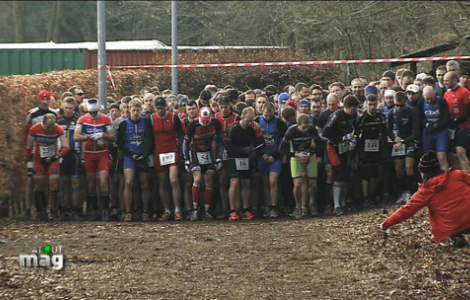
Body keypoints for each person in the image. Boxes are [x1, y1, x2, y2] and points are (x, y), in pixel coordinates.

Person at [381, 150, 470, 248]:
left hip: (453, 225)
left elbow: (406, 211)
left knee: (437, 215)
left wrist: (386, 224)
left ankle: (456, 236)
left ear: (424, 173)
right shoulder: (457, 174)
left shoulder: (425, 192)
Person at [74, 99, 115, 221]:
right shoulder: (82, 119)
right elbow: (76, 136)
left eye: (95, 112)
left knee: (103, 182)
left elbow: (112, 136)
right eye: (91, 113)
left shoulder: (106, 119)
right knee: (91, 184)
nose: (92, 115)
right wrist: (89, 137)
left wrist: (103, 135)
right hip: (88, 154)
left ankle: (105, 210)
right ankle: (94, 210)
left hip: (102, 153)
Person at [146, 97, 184, 221]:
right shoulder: (151, 119)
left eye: (162, 108)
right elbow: (150, 137)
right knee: (162, 182)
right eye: (158, 108)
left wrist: (181, 151)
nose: (160, 111)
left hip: (172, 151)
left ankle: (177, 209)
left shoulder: (173, 117)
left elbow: (180, 134)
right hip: (159, 153)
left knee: (173, 180)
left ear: (166, 107)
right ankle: (167, 209)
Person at [322, 94, 360, 216]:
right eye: (353, 109)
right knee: (338, 173)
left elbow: (357, 130)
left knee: (346, 175)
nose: (354, 112)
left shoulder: (354, 116)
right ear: (347, 107)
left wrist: (353, 141)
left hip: (345, 147)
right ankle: (336, 205)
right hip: (333, 147)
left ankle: (342, 203)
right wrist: (342, 137)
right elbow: (325, 133)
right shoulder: (336, 116)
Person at [26, 113, 70, 220]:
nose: (50, 130)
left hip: (52, 159)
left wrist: (58, 156)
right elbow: (28, 148)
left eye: (52, 127)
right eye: (47, 127)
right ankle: (40, 210)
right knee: (40, 185)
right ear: (43, 123)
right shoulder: (34, 129)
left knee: (54, 183)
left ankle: (53, 210)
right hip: (38, 159)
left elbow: (66, 146)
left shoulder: (58, 129)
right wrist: (29, 164)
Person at [225, 107, 266, 221]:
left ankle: (245, 209)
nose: (249, 123)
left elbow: (261, 145)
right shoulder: (233, 128)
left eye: (251, 120)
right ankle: (232, 210)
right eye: (247, 120)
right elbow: (227, 145)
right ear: (242, 118)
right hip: (234, 156)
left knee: (246, 182)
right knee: (235, 182)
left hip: (246, 158)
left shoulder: (252, 129)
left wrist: (258, 134)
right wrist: (243, 150)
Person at [183, 107, 223, 221]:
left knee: (209, 181)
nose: (205, 123)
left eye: (207, 120)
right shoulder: (193, 124)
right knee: (197, 179)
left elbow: (220, 141)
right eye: (203, 120)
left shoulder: (215, 123)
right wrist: (186, 159)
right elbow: (186, 142)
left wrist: (219, 157)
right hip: (196, 152)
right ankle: (195, 209)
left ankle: (206, 210)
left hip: (209, 152)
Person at [280, 113, 321, 218]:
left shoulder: (312, 130)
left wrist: (312, 154)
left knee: (313, 184)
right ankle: (298, 206)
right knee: (298, 183)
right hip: (296, 156)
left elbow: (319, 143)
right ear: (298, 125)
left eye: (307, 127)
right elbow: (282, 148)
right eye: (303, 127)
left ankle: (312, 204)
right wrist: (295, 155)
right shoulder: (291, 131)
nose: (306, 129)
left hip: (309, 155)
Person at [24, 90, 58, 219]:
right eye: (42, 99)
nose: (44, 102)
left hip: (50, 150)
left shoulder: (54, 113)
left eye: (47, 99)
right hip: (35, 151)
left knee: (51, 180)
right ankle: (32, 209)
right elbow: (26, 134)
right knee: (33, 180)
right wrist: (28, 155)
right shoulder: (32, 114)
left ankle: (50, 209)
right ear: (39, 100)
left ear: (50, 100)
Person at [117, 100, 151, 222]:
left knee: (144, 184)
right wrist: (130, 154)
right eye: (133, 111)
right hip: (130, 156)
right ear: (129, 111)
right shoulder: (123, 124)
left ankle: (145, 211)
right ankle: (127, 212)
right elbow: (119, 142)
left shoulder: (146, 122)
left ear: (141, 110)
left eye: (138, 110)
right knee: (129, 182)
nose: (135, 113)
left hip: (142, 156)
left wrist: (145, 154)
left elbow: (149, 139)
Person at [388, 91, 420, 204]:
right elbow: (388, 130)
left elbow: (416, 132)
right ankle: (401, 191)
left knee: (409, 166)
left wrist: (403, 141)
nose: (399, 108)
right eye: (397, 105)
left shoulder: (412, 111)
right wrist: (394, 139)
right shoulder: (392, 113)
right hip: (398, 142)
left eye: (401, 105)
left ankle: (410, 191)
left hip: (410, 140)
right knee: (398, 167)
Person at [256, 102, 287, 218]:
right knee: (265, 182)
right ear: (262, 112)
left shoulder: (280, 123)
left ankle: (274, 207)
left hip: (275, 156)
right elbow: (254, 141)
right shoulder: (257, 121)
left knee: (273, 180)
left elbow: (284, 141)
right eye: (266, 116)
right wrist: (262, 154)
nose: (268, 118)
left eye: (270, 115)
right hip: (262, 155)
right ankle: (268, 206)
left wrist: (275, 156)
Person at [357, 94, 388, 208]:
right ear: (367, 104)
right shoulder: (363, 118)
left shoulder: (381, 117)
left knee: (375, 172)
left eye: (375, 104)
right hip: (365, 147)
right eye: (370, 105)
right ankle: (365, 198)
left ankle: (373, 195)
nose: (373, 107)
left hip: (377, 147)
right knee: (366, 173)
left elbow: (384, 132)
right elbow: (357, 134)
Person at [56, 97, 83, 220]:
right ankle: (64, 209)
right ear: (62, 107)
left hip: (75, 154)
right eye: (66, 108)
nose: (68, 110)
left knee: (76, 184)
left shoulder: (79, 120)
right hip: (62, 154)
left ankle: (76, 209)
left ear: (74, 108)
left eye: (70, 108)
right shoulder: (58, 121)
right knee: (64, 184)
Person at [215, 96, 240, 219]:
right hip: (220, 152)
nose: (223, 109)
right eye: (221, 107)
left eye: (225, 107)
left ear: (230, 105)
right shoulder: (215, 118)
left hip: (234, 151)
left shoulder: (236, 117)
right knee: (222, 181)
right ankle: (225, 208)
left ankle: (236, 208)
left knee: (235, 180)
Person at [417, 86, 450, 171]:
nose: (430, 101)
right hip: (428, 132)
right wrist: (426, 125)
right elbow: (418, 118)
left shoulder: (441, 101)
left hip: (440, 131)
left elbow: (447, 118)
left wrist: (437, 125)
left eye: (431, 98)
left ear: (434, 94)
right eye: (427, 99)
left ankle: (445, 178)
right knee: (428, 158)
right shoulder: (421, 103)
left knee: (441, 156)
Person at [444, 71, 470, 173]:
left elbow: (468, 111)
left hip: (463, 127)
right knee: (452, 153)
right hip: (451, 128)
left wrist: (456, 121)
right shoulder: (446, 94)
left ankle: (467, 175)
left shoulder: (464, 92)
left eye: (447, 80)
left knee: (460, 152)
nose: (445, 82)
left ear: (454, 81)